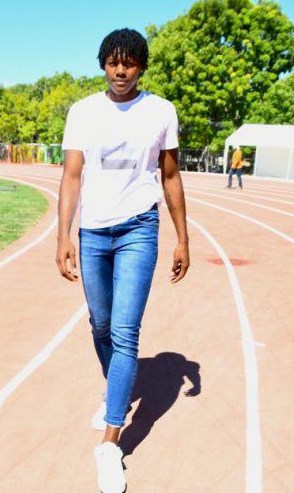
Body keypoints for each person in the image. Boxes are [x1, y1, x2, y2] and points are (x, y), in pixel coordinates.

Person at [56, 28, 190, 493]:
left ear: (141, 67)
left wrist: (183, 238)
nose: (120, 71)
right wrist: (63, 236)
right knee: (100, 325)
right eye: (113, 62)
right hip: (92, 230)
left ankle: (111, 443)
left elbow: (170, 175)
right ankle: (117, 386)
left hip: (139, 228)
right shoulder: (82, 112)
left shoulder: (161, 111)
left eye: (129, 63)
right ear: (102, 64)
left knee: (125, 332)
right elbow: (72, 177)